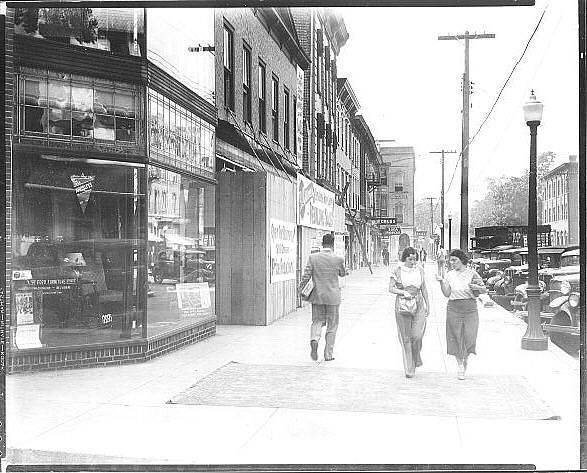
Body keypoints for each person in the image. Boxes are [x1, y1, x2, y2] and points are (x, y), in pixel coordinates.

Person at [437, 249, 486, 380]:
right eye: (451, 261)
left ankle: (465, 359)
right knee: (456, 336)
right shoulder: (449, 275)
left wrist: (476, 288)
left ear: (462, 260)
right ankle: (460, 365)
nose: (452, 263)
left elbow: (484, 289)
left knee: (469, 336)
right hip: (454, 307)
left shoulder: (472, 274)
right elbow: (447, 293)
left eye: (455, 260)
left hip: (470, 308)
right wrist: (441, 282)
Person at [299, 233, 348, 361]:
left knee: (317, 321)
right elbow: (343, 274)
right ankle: (328, 354)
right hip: (333, 297)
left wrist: (301, 290)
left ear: (322, 244)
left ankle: (314, 339)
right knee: (332, 325)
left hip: (317, 296)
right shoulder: (338, 259)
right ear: (332, 245)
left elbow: (306, 276)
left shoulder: (313, 258)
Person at [388, 247, 430, 378]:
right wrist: (403, 292)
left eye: (414, 259)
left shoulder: (420, 270)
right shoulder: (397, 270)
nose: (413, 262)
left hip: (418, 303)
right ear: (404, 258)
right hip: (403, 304)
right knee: (406, 338)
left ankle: (416, 356)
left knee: (417, 335)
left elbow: (423, 287)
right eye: (410, 259)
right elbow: (391, 288)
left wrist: (428, 303)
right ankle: (409, 367)